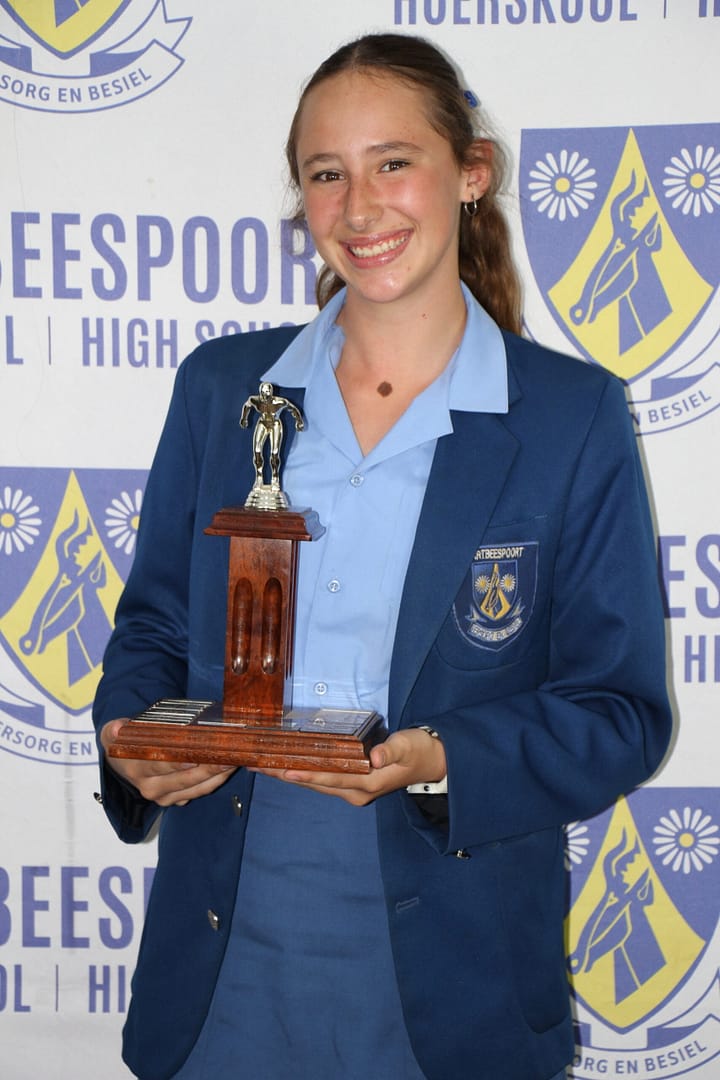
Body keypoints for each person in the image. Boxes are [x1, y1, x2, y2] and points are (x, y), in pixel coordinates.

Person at [93, 32, 672, 1080]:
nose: (360, 208)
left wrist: (447, 757)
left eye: (393, 162)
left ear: (471, 172)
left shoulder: (571, 417)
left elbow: (619, 712)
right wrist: (129, 738)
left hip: (458, 981)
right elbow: (155, 628)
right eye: (327, 174)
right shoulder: (224, 391)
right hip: (223, 972)